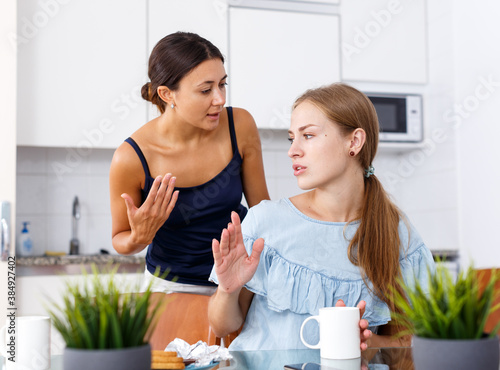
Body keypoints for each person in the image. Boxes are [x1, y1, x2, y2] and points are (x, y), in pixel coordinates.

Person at [207, 82, 436, 350]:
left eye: (309, 136)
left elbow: (423, 342)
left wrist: (369, 345)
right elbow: (223, 327)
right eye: (292, 138)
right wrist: (228, 289)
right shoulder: (265, 221)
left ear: (354, 141)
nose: (293, 150)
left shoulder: (397, 234)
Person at [109, 32, 269, 295]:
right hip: (171, 287)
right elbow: (120, 239)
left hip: (238, 280)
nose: (220, 99)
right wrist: (139, 237)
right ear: (167, 94)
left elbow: (263, 211)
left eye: (222, 84)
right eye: (206, 90)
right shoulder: (132, 157)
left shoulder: (239, 126)